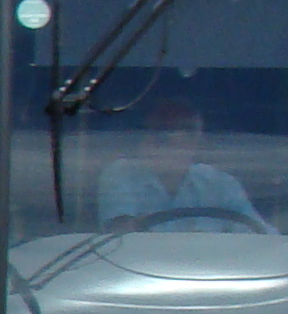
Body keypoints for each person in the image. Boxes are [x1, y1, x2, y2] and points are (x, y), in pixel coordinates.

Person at [97, 97, 274, 233]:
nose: (176, 139)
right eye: (162, 132)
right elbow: (120, 242)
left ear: (198, 141)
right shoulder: (120, 176)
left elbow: (264, 238)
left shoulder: (221, 185)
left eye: (187, 131)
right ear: (144, 139)